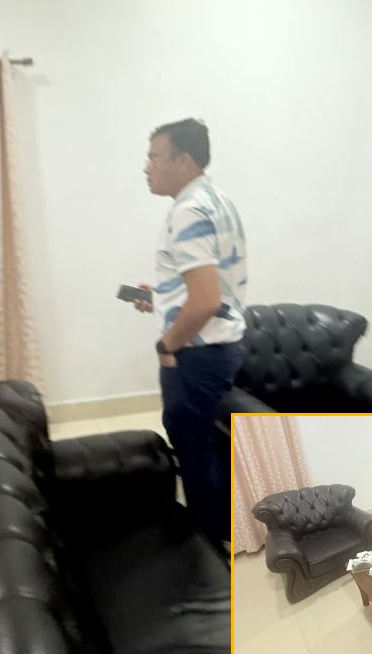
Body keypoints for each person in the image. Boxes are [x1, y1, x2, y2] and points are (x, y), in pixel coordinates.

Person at [134, 118, 247, 546]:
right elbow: (213, 287)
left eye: (154, 158)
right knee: (210, 445)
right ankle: (225, 532)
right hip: (222, 346)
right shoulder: (217, 200)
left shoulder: (188, 211)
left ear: (183, 161)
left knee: (195, 451)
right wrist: (163, 294)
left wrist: (167, 344)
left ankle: (211, 545)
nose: (146, 167)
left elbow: (204, 301)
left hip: (196, 355)